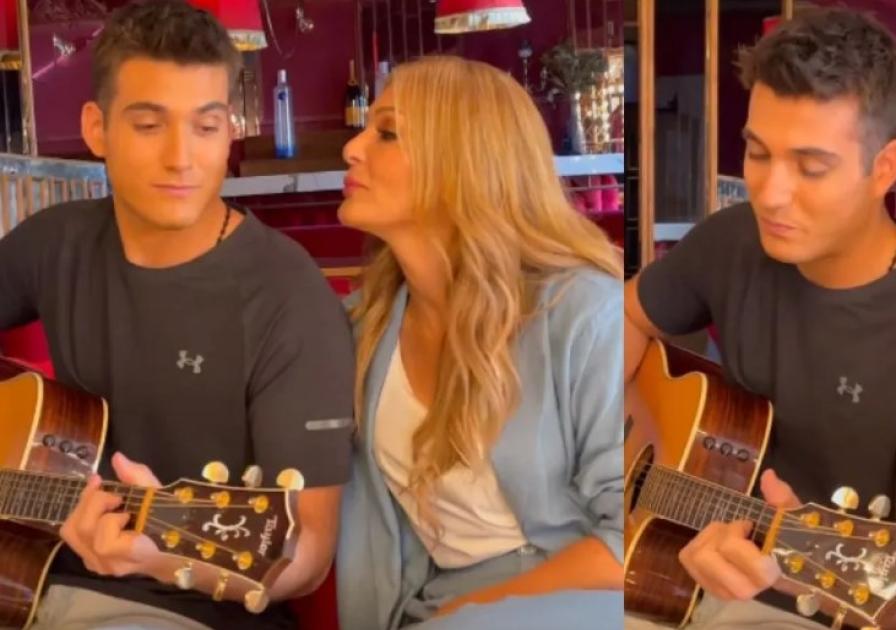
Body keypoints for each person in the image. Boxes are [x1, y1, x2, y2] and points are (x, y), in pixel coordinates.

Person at [623, 6, 896, 630]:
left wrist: (786, 562)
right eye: (757, 153)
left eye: (811, 168)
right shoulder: (733, 240)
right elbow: (624, 317)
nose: (771, 193)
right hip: (666, 572)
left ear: (883, 169)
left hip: (812, 610)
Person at [0, 1, 354, 628]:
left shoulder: (286, 296)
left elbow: (307, 554)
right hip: (32, 577)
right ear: (96, 128)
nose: (181, 158)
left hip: (181, 609)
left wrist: (159, 556)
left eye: (206, 126)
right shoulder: (57, 241)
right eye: (148, 125)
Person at [332, 55, 624, 630]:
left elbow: (629, 537)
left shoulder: (584, 313)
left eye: (387, 134)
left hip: (578, 602)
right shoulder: (360, 327)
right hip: (431, 608)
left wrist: (469, 614)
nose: (351, 149)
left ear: (461, 164)